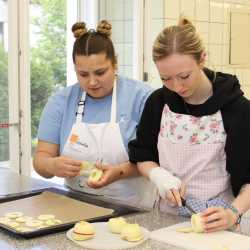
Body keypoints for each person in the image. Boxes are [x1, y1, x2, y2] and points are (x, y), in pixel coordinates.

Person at [128, 17, 250, 232]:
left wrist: (233, 212)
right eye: (166, 78)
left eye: (184, 76)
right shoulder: (158, 102)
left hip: (218, 221)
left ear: (202, 59)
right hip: (165, 219)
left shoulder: (237, 109)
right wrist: (159, 176)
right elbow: (143, 155)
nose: (177, 86)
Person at [33, 20, 156, 208]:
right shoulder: (61, 101)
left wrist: (119, 172)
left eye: (100, 72)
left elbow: (155, 158)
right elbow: (41, 158)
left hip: (134, 207)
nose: (92, 82)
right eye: (83, 74)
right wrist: (52, 166)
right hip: (75, 205)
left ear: (115, 64)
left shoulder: (142, 97)